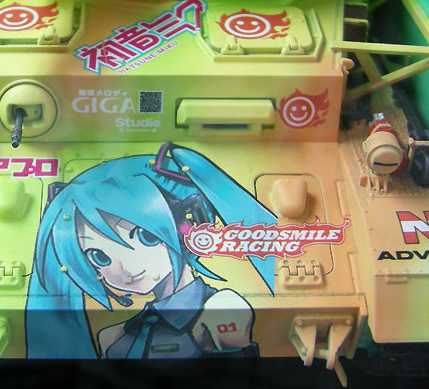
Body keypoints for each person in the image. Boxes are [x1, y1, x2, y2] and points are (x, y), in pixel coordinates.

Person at [25, 143, 277, 358]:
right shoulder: (113, 336)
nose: (125, 268)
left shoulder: (220, 307)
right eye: (99, 257)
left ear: (188, 225)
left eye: (146, 237)